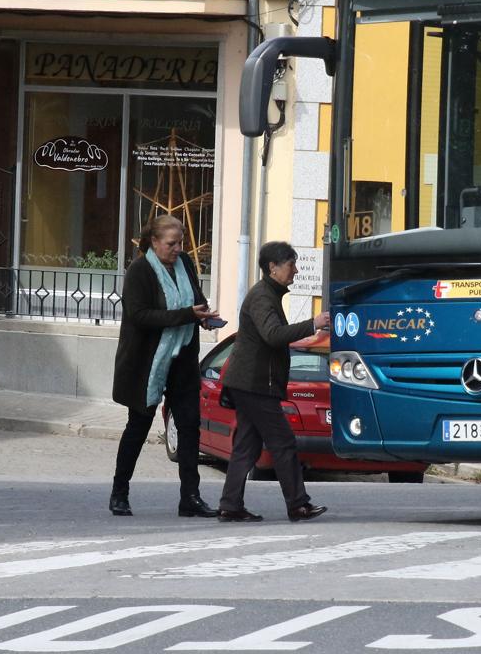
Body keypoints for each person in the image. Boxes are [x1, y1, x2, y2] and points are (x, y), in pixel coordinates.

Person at [110, 214, 220, 518]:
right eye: (171, 243)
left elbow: (195, 300)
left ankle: (191, 497)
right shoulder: (139, 270)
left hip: (183, 357)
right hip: (148, 362)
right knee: (138, 426)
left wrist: (205, 316)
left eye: (180, 242)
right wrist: (188, 314)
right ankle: (120, 492)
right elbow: (140, 315)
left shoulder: (185, 262)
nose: (177, 248)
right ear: (154, 242)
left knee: (189, 427)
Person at [216, 241, 330, 523]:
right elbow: (273, 335)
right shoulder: (262, 297)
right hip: (255, 385)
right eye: (291, 264)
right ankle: (298, 504)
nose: (296, 270)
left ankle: (230, 505)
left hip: (251, 383)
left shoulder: (267, 294)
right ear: (272, 267)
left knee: (246, 446)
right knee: (283, 443)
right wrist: (313, 323)